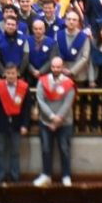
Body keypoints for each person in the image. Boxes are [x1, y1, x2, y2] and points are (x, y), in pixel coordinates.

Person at [33, 57, 75, 187]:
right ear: (51, 67)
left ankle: (66, 176)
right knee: (46, 149)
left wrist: (58, 119)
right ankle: (46, 175)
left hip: (65, 123)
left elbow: (68, 102)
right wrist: (51, 117)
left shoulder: (69, 82)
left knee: (64, 149)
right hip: (46, 122)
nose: (56, 69)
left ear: (62, 67)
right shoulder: (43, 81)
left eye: (58, 67)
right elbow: (40, 100)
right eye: (54, 67)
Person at [0, 64, 31, 183]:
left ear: (17, 74)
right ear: (5, 74)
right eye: (8, 73)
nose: (11, 76)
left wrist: (25, 125)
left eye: (13, 73)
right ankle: (0, 176)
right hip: (1, 123)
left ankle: (15, 176)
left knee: (15, 152)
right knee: (1, 151)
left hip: (17, 124)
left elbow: (27, 108)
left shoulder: (24, 87)